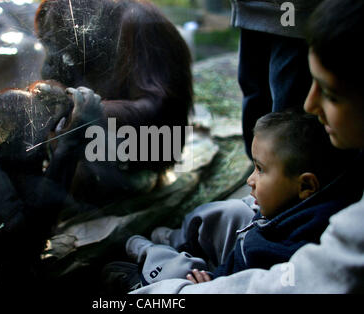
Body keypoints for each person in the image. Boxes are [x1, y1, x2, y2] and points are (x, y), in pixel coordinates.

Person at [130, 0, 364, 293]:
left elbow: (302, 282)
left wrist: (186, 290)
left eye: (330, 93)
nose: (309, 104)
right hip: (260, 12)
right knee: (220, 216)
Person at [102, 111, 360, 292]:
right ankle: (175, 240)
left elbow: (246, 284)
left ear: (305, 186)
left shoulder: (278, 254)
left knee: (178, 271)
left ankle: (148, 262)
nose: (250, 179)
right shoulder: (319, 200)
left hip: (225, 278)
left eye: (260, 169)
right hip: (244, 253)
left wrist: (212, 285)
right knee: (228, 212)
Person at [233, 0, 322, 159]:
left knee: (287, 112)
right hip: (251, 9)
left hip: (295, 11)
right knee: (255, 97)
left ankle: (286, 176)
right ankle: (260, 170)